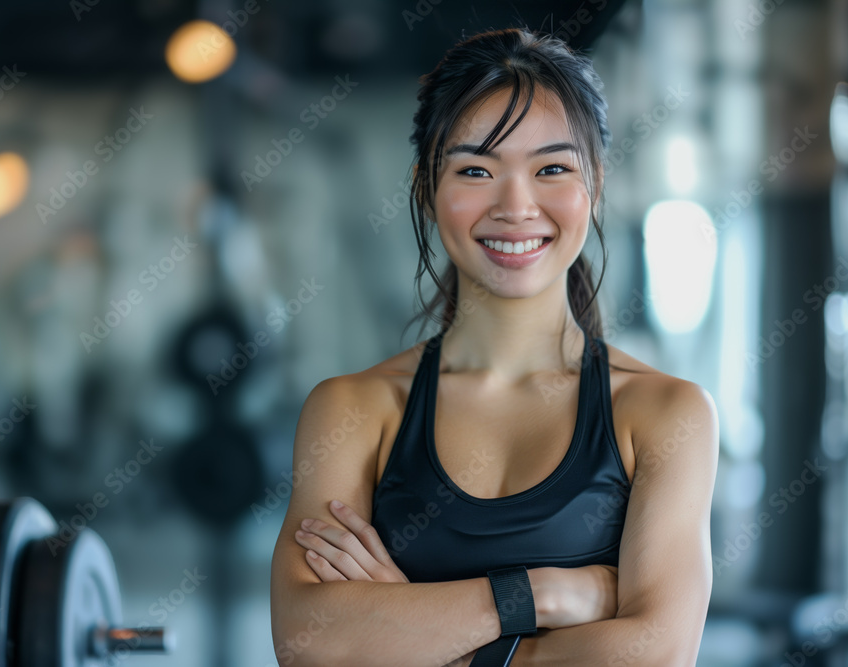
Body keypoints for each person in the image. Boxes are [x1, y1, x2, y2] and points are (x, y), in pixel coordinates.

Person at [270, 26, 718, 666]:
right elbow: (309, 644)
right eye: (476, 169)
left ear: (595, 186)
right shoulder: (354, 411)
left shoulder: (664, 415)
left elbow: (656, 656)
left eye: (553, 169)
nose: (516, 205)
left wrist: (422, 640)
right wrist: (542, 596)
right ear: (427, 186)